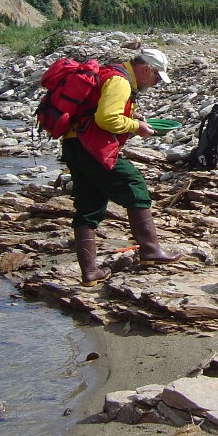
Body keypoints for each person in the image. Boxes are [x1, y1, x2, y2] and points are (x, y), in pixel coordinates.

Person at [63, 47, 181, 286]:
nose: (156, 82)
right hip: (91, 147)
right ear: (146, 68)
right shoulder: (120, 81)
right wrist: (138, 127)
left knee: (89, 205)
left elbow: (102, 112)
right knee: (134, 183)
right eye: (157, 76)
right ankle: (150, 250)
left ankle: (90, 273)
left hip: (74, 145)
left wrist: (134, 120)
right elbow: (106, 118)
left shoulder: (111, 74)